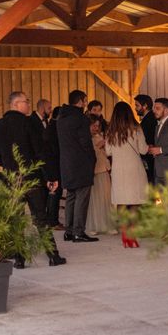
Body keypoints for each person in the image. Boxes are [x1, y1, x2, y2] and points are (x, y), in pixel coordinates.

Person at [0, 91, 66, 268]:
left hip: (12, 180)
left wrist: (9, 164)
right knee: (40, 218)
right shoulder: (29, 124)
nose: (29, 104)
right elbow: (40, 152)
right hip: (31, 178)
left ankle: (19, 259)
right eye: (26, 101)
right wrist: (50, 176)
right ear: (16, 104)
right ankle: (53, 256)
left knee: (16, 220)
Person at [105, 102, 149, 248]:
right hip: (135, 170)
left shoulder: (111, 131)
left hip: (118, 170)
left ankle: (125, 236)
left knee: (122, 202)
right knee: (134, 202)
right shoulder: (136, 128)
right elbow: (143, 150)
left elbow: (108, 152)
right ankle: (133, 236)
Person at [57, 90, 98, 243]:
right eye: (86, 101)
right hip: (81, 162)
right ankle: (78, 232)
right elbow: (86, 142)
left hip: (66, 161)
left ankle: (69, 231)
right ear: (81, 101)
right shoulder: (81, 118)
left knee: (71, 196)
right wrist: (92, 159)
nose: (86, 104)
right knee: (82, 196)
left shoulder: (61, 117)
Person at [86, 114, 113, 235]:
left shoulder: (101, 136)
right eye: (94, 125)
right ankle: (94, 226)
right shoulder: (86, 138)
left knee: (106, 198)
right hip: (94, 170)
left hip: (104, 169)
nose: (96, 128)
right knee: (95, 199)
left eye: (98, 125)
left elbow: (107, 152)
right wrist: (99, 145)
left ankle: (108, 224)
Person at [43, 106, 63, 228]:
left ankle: (51, 219)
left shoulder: (50, 126)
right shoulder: (55, 128)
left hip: (51, 163)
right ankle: (53, 221)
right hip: (54, 163)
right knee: (55, 191)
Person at [134, 94, 157, 184]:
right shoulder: (147, 119)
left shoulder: (150, 119)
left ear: (145, 106)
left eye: (137, 105)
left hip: (149, 157)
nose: (135, 108)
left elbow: (148, 140)